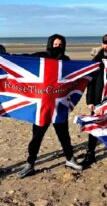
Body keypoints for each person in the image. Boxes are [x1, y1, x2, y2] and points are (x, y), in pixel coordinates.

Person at [17, 34, 83, 178]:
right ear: (50, 44)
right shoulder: (41, 57)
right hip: (43, 106)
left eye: (60, 44)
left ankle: (70, 159)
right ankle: (30, 164)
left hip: (59, 106)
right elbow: (24, 60)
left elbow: (74, 76)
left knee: (64, 136)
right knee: (36, 137)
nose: (57, 46)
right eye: (55, 44)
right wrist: (7, 56)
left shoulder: (66, 60)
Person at [80, 34, 107, 168]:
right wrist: (90, 101)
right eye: (106, 43)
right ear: (102, 44)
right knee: (95, 125)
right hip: (99, 99)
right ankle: (91, 152)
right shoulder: (96, 60)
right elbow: (90, 82)